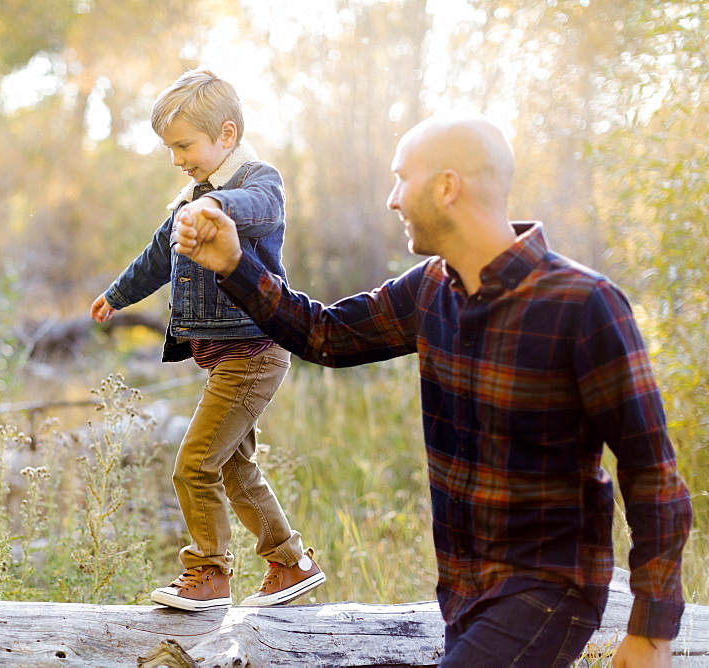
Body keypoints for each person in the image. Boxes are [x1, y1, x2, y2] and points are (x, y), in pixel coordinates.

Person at [172, 114, 692, 665]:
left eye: (402, 179)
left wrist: (652, 631)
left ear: (448, 186)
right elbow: (326, 335)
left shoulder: (584, 305)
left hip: (548, 591)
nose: (393, 200)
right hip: (464, 592)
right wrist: (233, 262)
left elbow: (651, 473)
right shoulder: (432, 288)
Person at [90, 69, 325, 612]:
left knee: (193, 463)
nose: (176, 158)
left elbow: (258, 208)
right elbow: (156, 257)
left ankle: (209, 574)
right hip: (227, 357)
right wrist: (118, 295)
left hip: (255, 352)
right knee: (235, 466)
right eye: (169, 148)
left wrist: (215, 209)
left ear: (225, 134)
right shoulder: (187, 198)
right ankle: (291, 564)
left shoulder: (257, 182)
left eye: (183, 145)